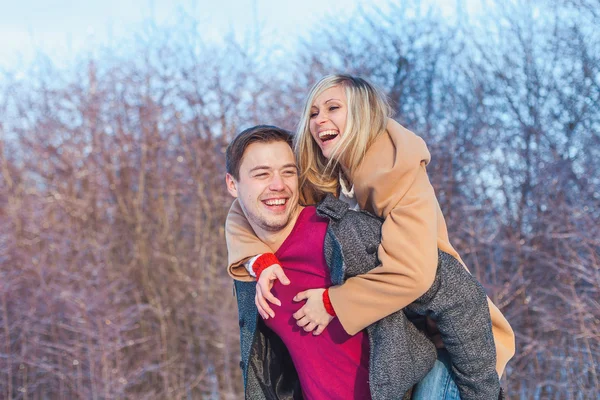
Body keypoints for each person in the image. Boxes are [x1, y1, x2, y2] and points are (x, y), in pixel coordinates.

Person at [226, 125, 503, 399]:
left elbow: (460, 294)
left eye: (288, 172)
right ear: (232, 184)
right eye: (261, 174)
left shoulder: (341, 235)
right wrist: (256, 262)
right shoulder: (250, 269)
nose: (278, 185)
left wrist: (482, 394)